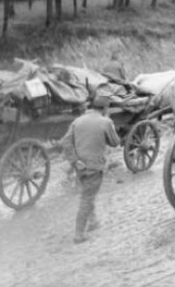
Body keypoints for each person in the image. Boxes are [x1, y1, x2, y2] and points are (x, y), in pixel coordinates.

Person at [58, 95, 120, 244]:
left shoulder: (77, 121)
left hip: (80, 167)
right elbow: (115, 142)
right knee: (86, 199)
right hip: (94, 166)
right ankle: (79, 234)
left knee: (88, 192)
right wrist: (109, 123)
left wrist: (74, 161)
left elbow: (65, 142)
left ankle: (93, 221)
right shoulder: (105, 121)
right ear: (105, 108)